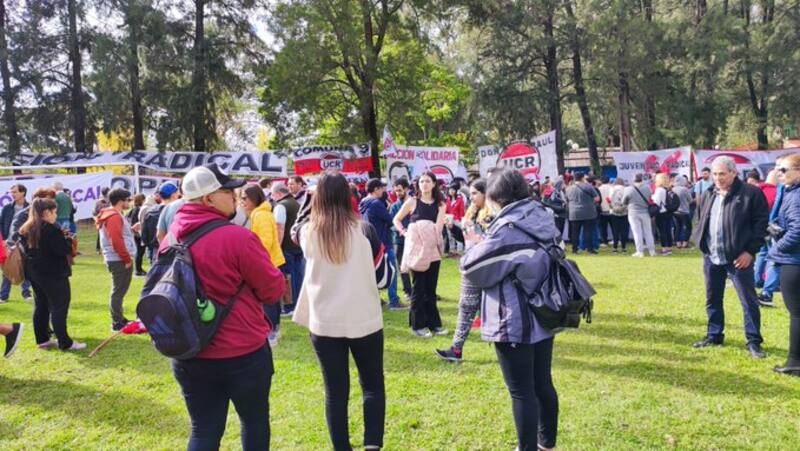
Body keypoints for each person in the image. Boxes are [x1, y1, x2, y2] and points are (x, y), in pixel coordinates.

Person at [163, 163, 285, 451]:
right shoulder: (237, 237)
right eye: (228, 191)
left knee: (203, 430)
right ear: (208, 199)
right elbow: (273, 290)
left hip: (189, 350)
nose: (235, 195)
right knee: (254, 423)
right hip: (242, 351)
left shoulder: (171, 237)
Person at [461, 167, 560, 451]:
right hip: (545, 311)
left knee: (521, 392)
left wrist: (473, 242)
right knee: (542, 383)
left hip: (513, 318)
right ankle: (547, 444)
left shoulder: (508, 229)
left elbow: (472, 268)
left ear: (496, 197)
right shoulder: (542, 216)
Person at [293, 172, 386, 451]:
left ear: (316, 197)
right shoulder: (365, 230)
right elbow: (383, 277)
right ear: (349, 196)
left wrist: (308, 202)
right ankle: (372, 445)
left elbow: (294, 228)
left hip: (324, 323)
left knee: (335, 392)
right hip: (365, 319)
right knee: (372, 385)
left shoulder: (308, 232)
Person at [690, 156, 769, 359]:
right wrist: (701, 242)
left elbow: (761, 225)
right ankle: (714, 335)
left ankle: (753, 341)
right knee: (712, 298)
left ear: (734, 173)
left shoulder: (751, 194)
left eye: (722, 174)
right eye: (715, 174)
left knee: (748, 301)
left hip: (738, 258)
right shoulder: (709, 193)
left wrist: (750, 252)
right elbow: (702, 219)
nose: (718, 178)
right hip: (712, 255)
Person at [436, 178, 492, 362]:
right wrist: (453, 228)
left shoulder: (493, 214)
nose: (472, 197)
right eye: (471, 193)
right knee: (466, 306)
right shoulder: (472, 211)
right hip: (471, 265)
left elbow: (496, 242)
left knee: (493, 307)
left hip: (488, 267)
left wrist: (480, 238)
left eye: (475, 193)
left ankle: (511, 345)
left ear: (486, 193)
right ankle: (456, 349)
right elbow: (464, 238)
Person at [20, 198, 85, 351]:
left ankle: (43, 339)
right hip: (53, 273)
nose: (55, 215)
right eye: (54, 212)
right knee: (59, 306)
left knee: (41, 304)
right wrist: (68, 240)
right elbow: (62, 250)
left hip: (35, 272)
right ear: (46, 212)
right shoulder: (49, 229)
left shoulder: (27, 228)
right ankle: (65, 342)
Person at [393, 171, 447, 338]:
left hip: (433, 251)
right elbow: (397, 219)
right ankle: (418, 325)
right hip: (417, 252)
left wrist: (424, 230)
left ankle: (434, 324)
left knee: (431, 290)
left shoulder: (440, 205)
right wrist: (405, 232)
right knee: (418, 289)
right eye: (421, 181)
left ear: (433, 184)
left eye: (427, 181)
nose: (424, 184)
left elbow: (438, 228)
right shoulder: (412, 202)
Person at [240, 184, 286, 348]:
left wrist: (254, 256)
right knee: (271, 299)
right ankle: (274, 330)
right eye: (241, 198)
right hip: (269, 260)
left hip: (268, 261)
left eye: (245, 198)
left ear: (254, 198)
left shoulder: (261, 215)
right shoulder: (259, 213)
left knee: (269, 300)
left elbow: (265, 241)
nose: (242, 201)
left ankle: (272, 333)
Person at [768, 153, 800, 376]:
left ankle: (795, 362)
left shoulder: (796, 196)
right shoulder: (789, 192)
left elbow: (797, 230)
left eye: (783, 170)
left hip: (794, 261)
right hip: (793, 258)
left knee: (797, 313)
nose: (778, 174)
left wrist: (777, 249)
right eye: (777, 169)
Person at [360, 178, 406, 310]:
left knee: (372, 273)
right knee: (391, 271)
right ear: (376, 189)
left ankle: (375, 299)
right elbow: (390, 220)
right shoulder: (376, 203)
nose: (383, 191)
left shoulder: (363, 202)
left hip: (370, 242)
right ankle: (394, 301)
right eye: (381, 188)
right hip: (383, 242)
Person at [96, 188, 137, 332]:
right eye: (128, 200)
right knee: (118, 291)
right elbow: (116, 240)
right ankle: (117, 322)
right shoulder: (113, 216)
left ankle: (119, 318)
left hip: (117, 257)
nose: (130, 202)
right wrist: (126, 258)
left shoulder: (114, 214)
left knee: (120, 290)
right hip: (118, 258)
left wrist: (131, 229)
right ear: (121, 201)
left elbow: (119, 235)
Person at [272, 182, 304, 316]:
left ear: (278, 193)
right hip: (298, 245)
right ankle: (298, 304)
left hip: (286, 246)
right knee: (298, 276)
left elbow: (279, 227)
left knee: (288, 278)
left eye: (273, 194)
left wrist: (277, 246)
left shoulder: (281, 206)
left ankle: (290, 306)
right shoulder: (296, 203)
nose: (272, 197)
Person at [757, 165, 784, 307]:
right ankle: (767, 293)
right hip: (778, 230)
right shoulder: (778, 190)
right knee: (775, 258)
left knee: (765, 255)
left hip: (768, 228)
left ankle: (760, 283)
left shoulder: (758, 190)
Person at [0, 184, 32, 303]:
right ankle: (3, 296)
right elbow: (2, 224)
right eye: (11, 192)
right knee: (7, 269)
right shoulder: (7, 207)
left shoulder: (30, 208)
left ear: (23, 192)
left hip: (24, 243)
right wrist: (3, 239)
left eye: (15, 192)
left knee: (25, 268)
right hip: (8, 242)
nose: (13, 194)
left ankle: (26, 293)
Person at [623, 174, 657, 257]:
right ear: (642, 179)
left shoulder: (628, 189)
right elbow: (650, 198)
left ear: (633, 180)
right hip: (645, 212)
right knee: (648, 232)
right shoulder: (647, 188)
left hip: (633, 212)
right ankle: (652, 251)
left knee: (637, 232)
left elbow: (624, 201)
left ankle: (640, 251)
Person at [390, 179, 413, 299]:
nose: (397, 193)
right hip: (399, 241)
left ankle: (420, 290)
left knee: (417, 265)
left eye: (399, 190)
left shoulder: (414, 203)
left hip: (414, 239)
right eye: (395, 191)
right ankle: (407, 291)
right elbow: (391, 222)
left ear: (406, 189)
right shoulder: (394, 206)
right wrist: (400, 230)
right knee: (402, 267)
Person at [565, 172, 599, 254]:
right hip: (588, 212)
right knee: (588, 231)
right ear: (583, 178)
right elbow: (597, 199)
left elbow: (567, 200)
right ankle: (589, 249)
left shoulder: (568, 188)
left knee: (575, 232)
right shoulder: (588, 187)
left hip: (574, 213)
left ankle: (574, 250)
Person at [652, 173, 674, 255]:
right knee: (667, 230)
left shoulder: (659, 190)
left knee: (662, 231)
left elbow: (656, 202)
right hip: (668, 212)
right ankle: (669, 248)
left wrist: (652, 197)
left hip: (661, 212)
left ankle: (664, 249)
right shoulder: (666, 189)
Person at [128, 194, 147, 276]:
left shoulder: (134, 209)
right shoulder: (138, 209)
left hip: (136, 233)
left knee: (140, 252)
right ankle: (138, 270)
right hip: (138, 233)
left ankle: (139, 268)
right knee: (140, 252)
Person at [609, 178, 629, 253]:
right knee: (624, 230)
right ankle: (624, 248)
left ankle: (615, 248)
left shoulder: (612, 189)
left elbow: (609, 200)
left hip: (614, 212)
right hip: (624, 212)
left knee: (615, 231)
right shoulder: (626, 189)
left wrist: (613, 207)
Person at [445, 183, 466, 256]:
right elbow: (446, 210)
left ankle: (459, 250)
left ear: (456, 190)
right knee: (450, 235)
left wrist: (461, 220)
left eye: (453, 189)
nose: (451, 191)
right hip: (448, 220)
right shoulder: (447, 200)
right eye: (450, 189)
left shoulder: (460, 199)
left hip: (457, 220)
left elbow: (462, 211)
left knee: (458, 234)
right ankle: (452, 250)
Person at [672, 176, 693, 249]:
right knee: (688, 227)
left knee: (678, 227)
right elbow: (690, 200)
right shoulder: (684, 189)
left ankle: (678, 243)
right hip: (684, 211)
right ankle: (685, 243)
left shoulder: (672, 189)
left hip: (675, 212)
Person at [93, 187, 111, 254]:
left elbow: (94, 212)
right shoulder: (107, 201)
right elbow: (95, 212)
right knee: (102, 234)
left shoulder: (98, 201)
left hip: (105, 219)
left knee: (101, 234)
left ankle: (99, 249)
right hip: (104, 219)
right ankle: (99, 248)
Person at [598, 176, 614, 246]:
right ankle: (615, 239)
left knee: (603, 227)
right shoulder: (612, 188)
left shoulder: (599, 189)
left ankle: (604, 241)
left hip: (602, 210)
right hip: (612, 210)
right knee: (614, 227)